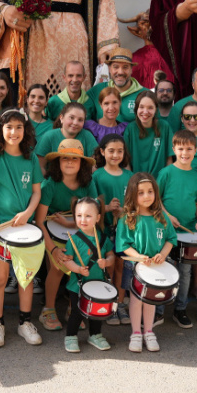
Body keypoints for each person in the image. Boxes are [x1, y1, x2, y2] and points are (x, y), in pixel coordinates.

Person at [0, 110, 44, 347]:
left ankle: (25, 322)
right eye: (9, 127)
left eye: (19, 127)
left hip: (25, 227)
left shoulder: (31, 158)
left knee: (26, 277)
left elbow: (36, 192)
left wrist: (27, 213)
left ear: (25, 130)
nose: (13, 132)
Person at [35, 139, 98, 332]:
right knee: (57, 268)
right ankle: (48, 309)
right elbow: (39, 221)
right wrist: (53, 250)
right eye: (65, 159)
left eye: (75, 159)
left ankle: (74, 308)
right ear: (57, 162)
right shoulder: (49, 185)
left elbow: (93, 215)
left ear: (82, 164)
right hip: (51, 233)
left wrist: (70, 223)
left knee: (81, 267)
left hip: (80, 229)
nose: (70, 162)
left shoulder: (88, 183)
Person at [116, 173, 178, 352]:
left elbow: (171, 239)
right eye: (141, 192)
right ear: (132, 194)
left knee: (150, 301)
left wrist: (163, 254)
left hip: (155, 267)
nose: (146, 196)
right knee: (135, 300)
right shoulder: (127, 217)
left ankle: (149, 331)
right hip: (136, 266)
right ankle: (136, 333)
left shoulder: (162, 217)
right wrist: (138, 257)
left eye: (150, 191)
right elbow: (123, 244)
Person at [157, 129, 197, 329]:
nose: (185, 152)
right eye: (181, 148)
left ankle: (180, 309)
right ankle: (158, 310)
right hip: (167, 230)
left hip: (187, 233)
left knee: (185, 272)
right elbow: (155, 199)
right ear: (174, 149)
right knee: (164, 268)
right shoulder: (166, 172)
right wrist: (168, 216)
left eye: (189, 149)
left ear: (195, 150)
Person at [63, 197, 115, 352]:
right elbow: (67, 262)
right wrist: (78, 269)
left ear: (98, 218)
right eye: (79, 215)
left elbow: (112, 256)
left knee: (96, 313)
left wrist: (106, 262)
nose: (83, 220)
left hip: (98, 282)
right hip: (78, 284)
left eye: (88, 216)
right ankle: (71, 336)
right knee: (77, 313)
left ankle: (95, 334)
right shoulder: (73, 240)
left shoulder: (103, 238)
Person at [92, 133, 133, 325]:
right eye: (111, 151)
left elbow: (137, 206)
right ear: (102, 152)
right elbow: (92, 204)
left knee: (122, 267)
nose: (115, 155)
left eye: (119, 151)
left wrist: (124, 212)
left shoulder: (130, 177)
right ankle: (108, 302)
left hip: (124, 230)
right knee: (107, 265)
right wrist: (107, 208)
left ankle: (120, 303)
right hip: (103, 228)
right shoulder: (97, 175)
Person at [87, 47, 146, 122]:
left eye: (125, 67)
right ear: (109, 69)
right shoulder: (96, 91)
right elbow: (81, 118)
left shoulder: (145, 95)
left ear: (131, 70)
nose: (120, 72)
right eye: (116, 67)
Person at [123, 91, 173, 177]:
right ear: (136, 109)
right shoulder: (130, 129)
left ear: (155, 110)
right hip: (136, 181)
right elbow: (126, 161)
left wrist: (166, 180)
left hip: (159, 181)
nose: (145, 112)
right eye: (141, 107)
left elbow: (169, 159)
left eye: (150, 108)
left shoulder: (164, 126)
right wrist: (132, 181)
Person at [35, 102, 99, 167]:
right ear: (61, 118)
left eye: (80, 120)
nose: (75, 123)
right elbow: (39, 166)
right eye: (71, 117)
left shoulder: (87, 136)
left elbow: (95, 164)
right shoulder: (49, 136)